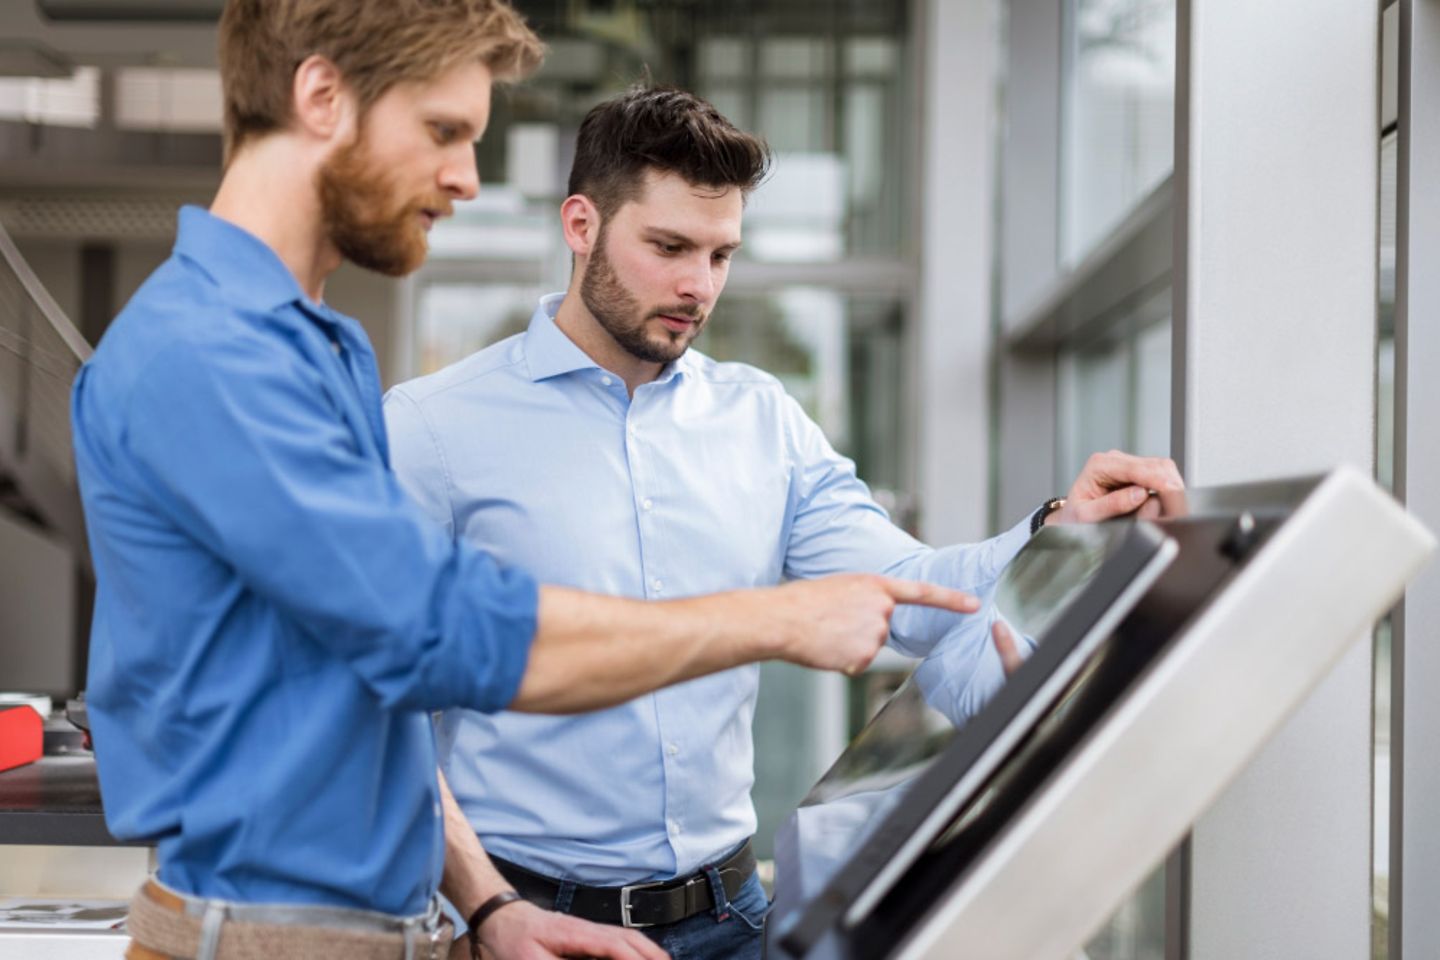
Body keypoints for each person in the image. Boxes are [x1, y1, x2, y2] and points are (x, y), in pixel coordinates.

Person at [68, 6, 981, 960]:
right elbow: (442, 631)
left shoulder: (320, 346)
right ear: (322, 96)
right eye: (444, 131)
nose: (466, 175)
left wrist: (493, 906)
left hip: (380, 928)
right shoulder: (210, 354)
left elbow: (373, 699)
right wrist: (774, 620)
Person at [383, 84, 1185, 960]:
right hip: (532, 927)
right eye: (669, 246)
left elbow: (915, 597)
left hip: (735, 922)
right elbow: (380, 707)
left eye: (722, 254)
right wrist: (486, 911)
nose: (699, 285)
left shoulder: (762, 420)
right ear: (581, 225)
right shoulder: (429, 432)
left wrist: (1063, 530)